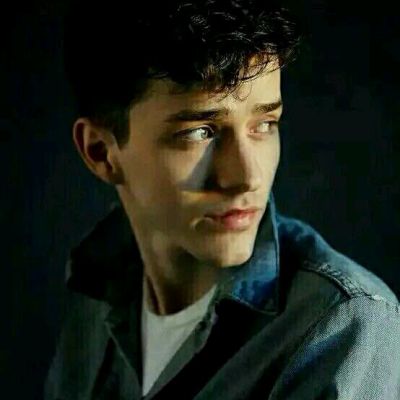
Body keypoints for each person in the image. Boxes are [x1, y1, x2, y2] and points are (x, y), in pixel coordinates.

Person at [44, 1, 400, 399]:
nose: (247, 178)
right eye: (200, 132)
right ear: (100, 152)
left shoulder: (341, 325)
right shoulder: (95, 292)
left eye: (265, 125)